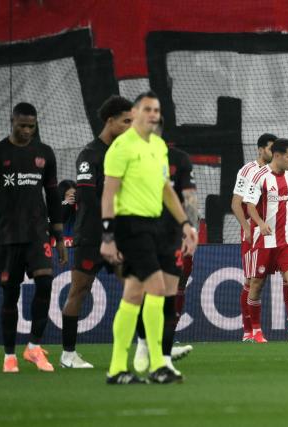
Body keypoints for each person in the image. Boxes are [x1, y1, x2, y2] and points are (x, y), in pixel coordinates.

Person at [101, 91, 198, 384]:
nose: (153, 114)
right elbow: (109, 193)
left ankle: (117, 368)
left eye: (156, 110)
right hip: (130, 226)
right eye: (148, 109)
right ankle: (158, 364)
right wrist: (108, 236)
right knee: (157, 288)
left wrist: (185, 223)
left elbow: (166, 189)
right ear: (136, 111)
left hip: (156, 226)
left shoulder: (157, 146)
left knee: (133, 294)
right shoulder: (121, 146)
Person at [0, 102, 67, 373]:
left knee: (46, 283)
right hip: (8, 237)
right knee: (10, 296)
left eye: (31, 126)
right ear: (11, 121)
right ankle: (9, 356)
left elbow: (52, 196)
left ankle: (34, 347)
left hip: (38, 235)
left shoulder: (45, 154)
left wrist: (59, 237)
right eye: (22, 125)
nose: (26, 131)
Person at [60, 95, 133, 369]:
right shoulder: (89, 155)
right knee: (80, 290)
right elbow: (88, 200)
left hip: (116, 236)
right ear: (110, 120)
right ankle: (68, 354)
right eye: (126, 121)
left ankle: (151, 348)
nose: (130, 127)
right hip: (92, 236)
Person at [133, 118, 200, 375]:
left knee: (168, 297)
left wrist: (190, 231)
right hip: (139, 235)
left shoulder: (178, 159)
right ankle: (142, 342)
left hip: (170, 236)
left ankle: (164, 359)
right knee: (144, 294)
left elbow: (189, 197)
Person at [243, 138, 288, 343]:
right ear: (277, 155)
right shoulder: (259, 176)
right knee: (257, 285)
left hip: (287, 240)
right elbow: (249, 205)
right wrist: (260, 223)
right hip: (264, 241)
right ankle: (256, 331)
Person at [230, 133, 276, 342]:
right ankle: (249, 331)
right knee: (251, 280)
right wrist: (246, 227)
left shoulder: (279, 170)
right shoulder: (248, 170)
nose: (274, 153)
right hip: (255, 232)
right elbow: (236, 203)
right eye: (270, 149)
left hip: (276, 232)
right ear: (260, 149)